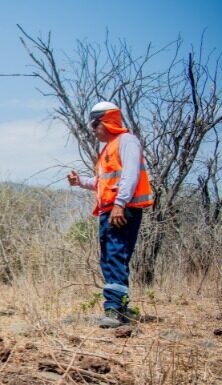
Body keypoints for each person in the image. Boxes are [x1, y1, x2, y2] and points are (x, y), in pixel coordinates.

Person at [67, 101, 153, 328]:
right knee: (109, 259)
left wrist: (120, 204)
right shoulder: (107, 148)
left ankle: (114, 309)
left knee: (115, 256)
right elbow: (103, 182)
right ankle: (121, 308)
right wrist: (80, 182)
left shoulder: (127, 141)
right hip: (109, 211)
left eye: (95, 125)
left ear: (105, 122)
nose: (93, 131)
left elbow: (131, 174)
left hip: (121, 211)